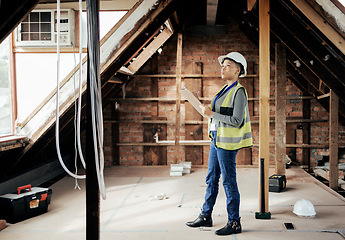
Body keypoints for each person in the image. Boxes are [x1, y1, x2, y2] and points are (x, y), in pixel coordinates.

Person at [186, 52, 253, 236]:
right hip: (216, 139)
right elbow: (215, 113)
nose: (223, 68)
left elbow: (237, 120)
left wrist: (211, 114)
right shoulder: (224, 89)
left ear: (238, 70)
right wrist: (206, 111)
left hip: (227, 143)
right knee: (211, 178)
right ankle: (206, 215)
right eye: (222, 65)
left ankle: (234, 223)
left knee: (229, 181)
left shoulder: (239, 91)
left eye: (228, 65)